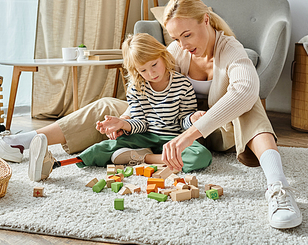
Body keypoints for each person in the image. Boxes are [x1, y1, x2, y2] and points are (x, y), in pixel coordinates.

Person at [0, 0, 301, 229]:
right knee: (108, 105)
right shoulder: (176, 52)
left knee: (248, 104)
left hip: (212, 132)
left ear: (206, 20)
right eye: (175, 37)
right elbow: (145, 82)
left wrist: (188, 135)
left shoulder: (231, 50)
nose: (182, 44)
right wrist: (123, 120)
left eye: (187, 33)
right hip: (170, 127)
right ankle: (21, 142)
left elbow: (244, 89)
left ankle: (278, 189)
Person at [29, 33, 211, 181]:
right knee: (101, 148)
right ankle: (54, 165)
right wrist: (123, 124)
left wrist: (192, 119)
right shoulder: (137, 87)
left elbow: (183, 121)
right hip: (144, 137)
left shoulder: (183, 85)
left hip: (173, 139)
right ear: (136, 71)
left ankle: (143, 158)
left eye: (154, 65)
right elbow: (141, 123)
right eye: (143, 70)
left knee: (200, 156)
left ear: (163, 56)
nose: (151, 73)